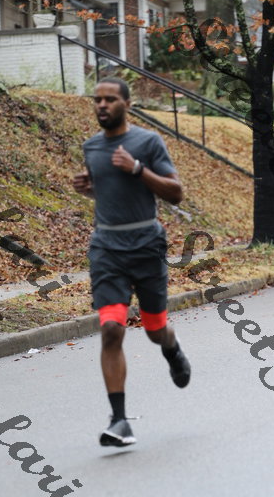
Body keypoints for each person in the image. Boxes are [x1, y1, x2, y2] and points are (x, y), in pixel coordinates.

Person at [74, 77, 191, 447]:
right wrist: (91, 188)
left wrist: (138, 168)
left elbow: (176, 193)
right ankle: (120, 421)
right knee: (111, 329)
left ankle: (171, 347)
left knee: (155, 330)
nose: (102, 105)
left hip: (146, 244)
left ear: (126, 104)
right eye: (97, 99)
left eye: (110, 99)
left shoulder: (148, 142)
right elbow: (109, 190)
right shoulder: (91, 146)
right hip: (107, 247)